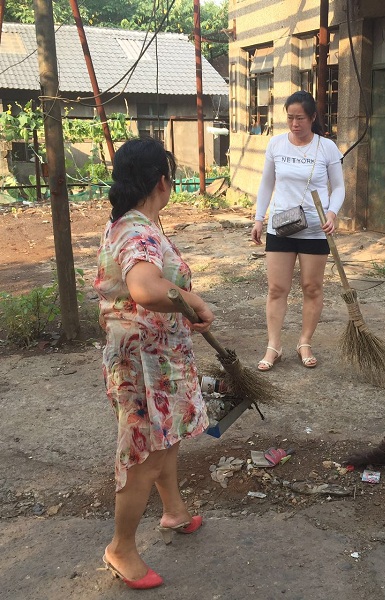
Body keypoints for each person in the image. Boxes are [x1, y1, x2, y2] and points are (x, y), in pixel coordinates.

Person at [94, 137, 215, 589]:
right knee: (145, 454)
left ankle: (174, 511)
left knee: (167, 440)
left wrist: (183, 311)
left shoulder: (134, 223)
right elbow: (146, 287)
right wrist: (192, 298)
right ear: (163, 181)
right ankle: (120, 548)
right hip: (145, 367)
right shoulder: (139, 232)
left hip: (158, 360)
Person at [251, 90, 345, 370]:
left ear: (313, 117)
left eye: (300, 118)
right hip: (281, 226)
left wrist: (333, 212)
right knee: (277, 288)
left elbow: (338, 187)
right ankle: (273, 346)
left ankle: (304, 342)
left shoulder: (326, 147)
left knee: (312, 288)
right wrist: (259, 218)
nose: (294, 123)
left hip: (316, 228)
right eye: (290, 118)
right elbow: (267, 183)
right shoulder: (276, 145)